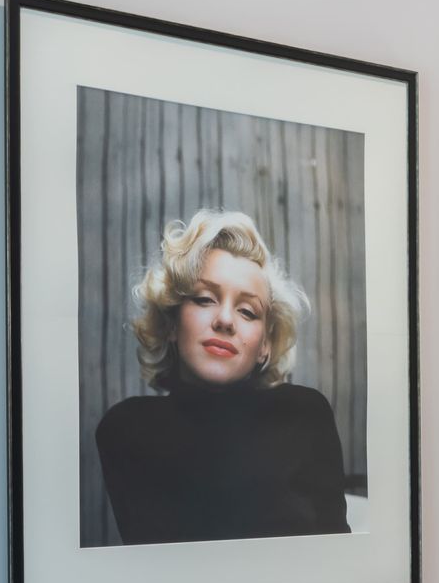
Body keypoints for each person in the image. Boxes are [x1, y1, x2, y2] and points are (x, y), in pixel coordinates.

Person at [96, 209, 350, 545]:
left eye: (247, 311)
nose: (226, 320)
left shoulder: (304, 414)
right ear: (172, 323)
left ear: (265, 345)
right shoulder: (126, 429)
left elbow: (338, 556)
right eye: (204, 299)